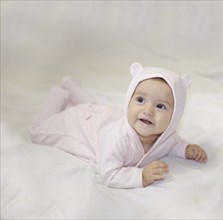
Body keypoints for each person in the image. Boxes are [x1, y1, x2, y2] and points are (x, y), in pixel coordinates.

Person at [29, 62, 208, 188]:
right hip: (82, 123)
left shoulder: (166, 137)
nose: (148, 110)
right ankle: (59, 94)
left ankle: (72, 87)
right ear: (129, 100)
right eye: (140, 100)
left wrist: (187, 148)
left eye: (160, 106)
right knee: (37, 132)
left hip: (103, 115)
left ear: (174, 117)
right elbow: (109, 174)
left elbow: (175, 143)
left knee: (95, 105)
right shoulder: (115, 138)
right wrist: (141, 176)